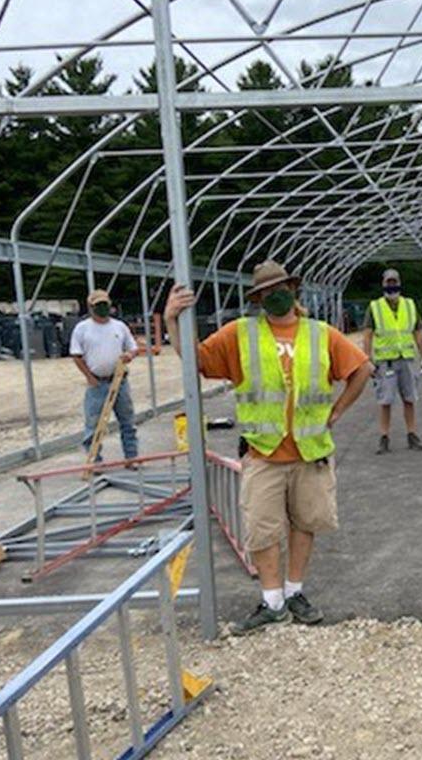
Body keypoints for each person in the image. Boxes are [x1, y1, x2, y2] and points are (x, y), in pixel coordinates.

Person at [164, 261, 373, 633]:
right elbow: (197, 360)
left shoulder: (319, 333)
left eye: (281, 288)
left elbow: (361, 369)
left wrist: (338, 411)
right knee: (262, 529)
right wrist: (171, 322)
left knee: (305, 523)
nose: (275, 296)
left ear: (294, 290)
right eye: (266, 292)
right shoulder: (240, 334)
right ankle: (272, 601)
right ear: (258, 298)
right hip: (263, 451)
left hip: (310, 452)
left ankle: (294, 593)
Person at [362, 268, 422, 454]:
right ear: (383, 284)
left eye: (394, 282)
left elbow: (418, 332)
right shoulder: (375, 307)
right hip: (385, 362)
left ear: (399, 283)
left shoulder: (409, 305)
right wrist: (367, 360)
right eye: (388, 282)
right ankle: (384, 437)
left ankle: (412, 434)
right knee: (385, 401)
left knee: (410, 398)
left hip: (406, 359)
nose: (392, 286)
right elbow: (367, 335)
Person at [69, 289, 139, 462]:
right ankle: (95, 460)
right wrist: (89, 377)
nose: (102, 308)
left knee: (127, 421)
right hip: (97, 383)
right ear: (91, 307)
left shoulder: (119, 326)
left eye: (105, 304)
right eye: (98, 305)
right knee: (94, 424)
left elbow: (133, 347)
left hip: (119, 381)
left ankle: (131, 457)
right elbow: (76, 356)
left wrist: (129, 355)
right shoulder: (82, 329)